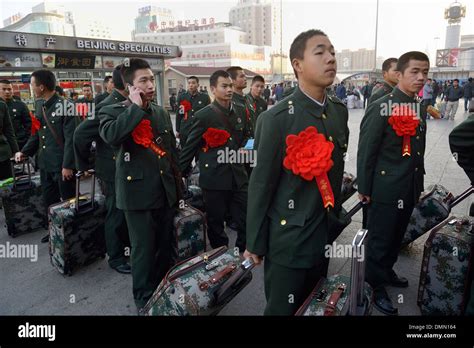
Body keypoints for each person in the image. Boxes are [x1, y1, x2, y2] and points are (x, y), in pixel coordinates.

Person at [244, 29, 349, 315]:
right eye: (320, 52)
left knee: (314, 305)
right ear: (297, 64)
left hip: (324, 232)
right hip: (289, 241)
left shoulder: (338, 111)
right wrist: (254, 242)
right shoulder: (276, 120)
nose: (330, 58)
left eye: (332, 52)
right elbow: (261, 184)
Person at [99, 58, 179, 313]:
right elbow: (112, 136)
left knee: (165, 246)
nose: (150, 84)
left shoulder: (160, 111)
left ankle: (163, 291)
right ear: (130, 86)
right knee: (143, 250)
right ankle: (144, 301)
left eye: (151, 79)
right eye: (143, 80)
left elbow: (170, 153)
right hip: (137, 195)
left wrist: (178, 187)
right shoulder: (112, 110)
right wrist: (134, 108)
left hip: (165, 191)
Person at [357, 51, 430, 316]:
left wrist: (417, 183)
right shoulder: (382, 104)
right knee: (380, 238)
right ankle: (374, 286)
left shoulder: (417, 105)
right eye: (415, 71)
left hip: (408, 186)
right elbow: (367, 150)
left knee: (397, 236)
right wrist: (364, 188)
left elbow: (417, 151)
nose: (421, 77)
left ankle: (386, 271)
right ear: (399, 74)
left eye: (425, 72)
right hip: (385, 189)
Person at [179, 70, 250, 253]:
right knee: (216, 221)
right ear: (213, 89)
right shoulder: (204, 116)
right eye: (224, 86)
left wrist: (247, 148)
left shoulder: (241, 110)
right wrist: (178, 173)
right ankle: (220, 256)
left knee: (245, 218)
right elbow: (190, 148)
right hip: (215, 178)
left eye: (230, 86)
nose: (229, 90)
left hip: (238, 175)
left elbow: (248, 136)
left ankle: (242, 253)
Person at [73, 65, 131, 275]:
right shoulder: (105, 106)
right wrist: (85, 165)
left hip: (129, 169)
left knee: (126, 212)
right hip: (111, 170)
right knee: (115, 213)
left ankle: (127, 248)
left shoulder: (131, 102)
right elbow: (80, 135)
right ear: (126, 83)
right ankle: (115, 257)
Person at [14, 69, 76, 243]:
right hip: (46, 163)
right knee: (50, 201)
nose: (31, 87)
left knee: (68, 202)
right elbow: (36, 135)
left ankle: (73, 234)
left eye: (32, 84)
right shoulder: (40, 107)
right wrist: (24, 152)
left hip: (62, 165)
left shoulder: (67, 106)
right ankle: (54, 232)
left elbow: (71, 139)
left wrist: (68, 165)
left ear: (41, 87)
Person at [175, 76, 210, 148]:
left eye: (193, 83)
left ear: (198, 85)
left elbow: (208, 115)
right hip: (185, 130)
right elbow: (179, 115)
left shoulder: (204, 97)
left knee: (200, 155)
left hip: (200, 130)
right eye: (189, 83)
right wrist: (178, 130)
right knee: (185, 154)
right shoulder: (182, 97)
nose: (191, 85)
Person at [0, 79, 32, 150]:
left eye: (9, 89)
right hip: (3, 146)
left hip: (20, 143)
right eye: (4, 89)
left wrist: (25, 140)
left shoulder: (20, 105)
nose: (7, 92)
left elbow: (29, 125)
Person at [227, 67, 255, 138]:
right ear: (232, 80)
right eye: (241, 76)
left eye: (245, 76)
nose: (245, 79)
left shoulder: (249, 98)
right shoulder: (229, 101)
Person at [0, 100, 19, 180]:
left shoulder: (2, 106)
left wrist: (16, 151)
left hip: (3, 155)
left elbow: (8, 130)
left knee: (7, 187)